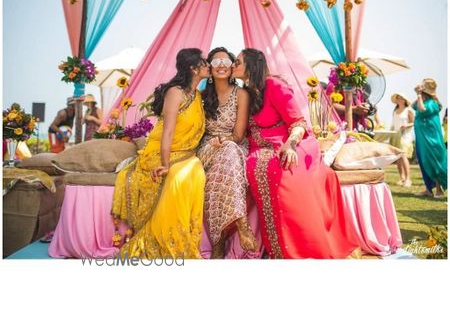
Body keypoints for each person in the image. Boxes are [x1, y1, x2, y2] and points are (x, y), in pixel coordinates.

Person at [233, 48, 359, 259]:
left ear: (252, 65)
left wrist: (290, 145)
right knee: (253, 166)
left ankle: (299, 247)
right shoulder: (246, 93)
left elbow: (298, 123)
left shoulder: (274, 85)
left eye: (238, 61)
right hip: (259, 149)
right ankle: (276, 247)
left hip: (291, 142)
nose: (233, 65)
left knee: (277, 168)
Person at [111, 48, 210, 259]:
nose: (208, 66)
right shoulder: (176, 93)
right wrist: (165, 164)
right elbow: (168, 132)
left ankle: (184, 237)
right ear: (193, 68)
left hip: (186, 154)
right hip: (161, 152)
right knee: (176, 178)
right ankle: (166, 238)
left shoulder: (196, 96)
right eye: (204, 63)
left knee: (197, 173)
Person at [197, 47, 260, 259]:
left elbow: (239, 135)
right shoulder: (202, 97)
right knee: (221, 156)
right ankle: (239, 226)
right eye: (216, 62)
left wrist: (225, 141)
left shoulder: (241, 94)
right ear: (210, 68)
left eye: (226, 61)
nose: (221, 65)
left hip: (233, 144)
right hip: (207, 147)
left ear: (232, 65)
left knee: (226, 159)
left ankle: (219, 240)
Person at [412, 78, 447, 198]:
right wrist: (418, 95)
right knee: (423, 160)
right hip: (422, 138)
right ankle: (428, 188)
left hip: (431, 139)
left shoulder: (432, 103)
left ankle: (439, 189)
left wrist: (418, 95)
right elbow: (413, 106)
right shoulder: (423, 100)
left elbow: (422, 109)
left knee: (432, 161)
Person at [389, 93, 414, 187]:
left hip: (405, 136)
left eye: (401, 98)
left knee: (403, 156)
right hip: (395, 135)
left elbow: (413, 123)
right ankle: (402, 178)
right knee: (398, 157)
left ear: (405, 100)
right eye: (398, 98)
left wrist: (406, 126)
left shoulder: (409, 110)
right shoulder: (395, 110)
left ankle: (408, 179)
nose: (399, 99)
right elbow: (394, 123)